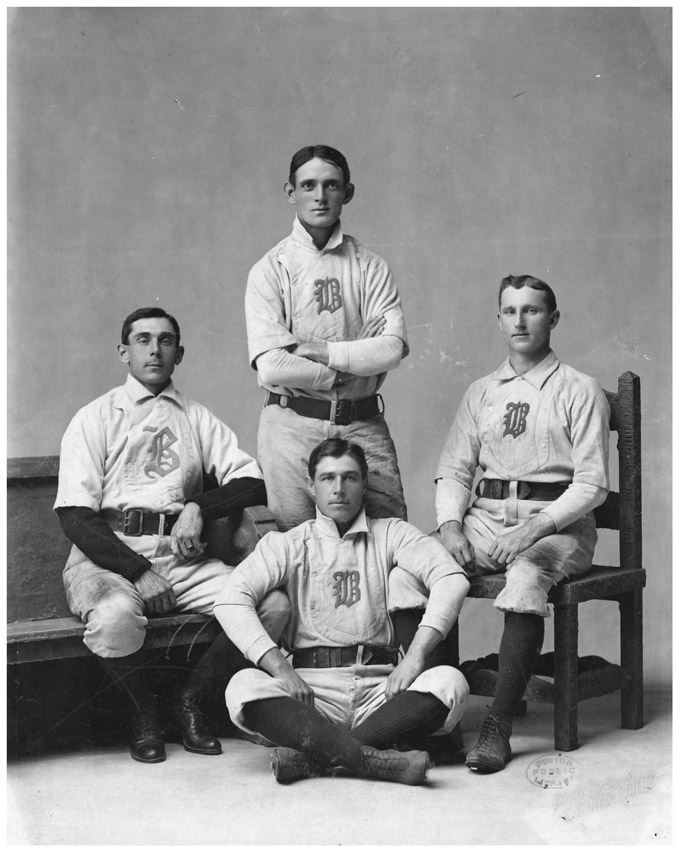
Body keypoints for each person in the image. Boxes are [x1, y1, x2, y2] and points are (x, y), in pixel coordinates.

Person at [54, 307, 289, 764]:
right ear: (124, 351)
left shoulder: (196, 417)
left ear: (179, 353)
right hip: (109, 559)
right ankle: (145, 714)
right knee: (115, 619)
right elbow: (75, 516)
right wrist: (139, 571)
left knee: (271, 603)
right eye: (142, 340)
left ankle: (190, 701)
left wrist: (200, 506)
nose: (154, 350)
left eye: (165, 341)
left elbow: (253, 482)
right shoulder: (96, 416)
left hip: (181, 558)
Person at [213, 438, 470, 786]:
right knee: (242, 687)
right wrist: (280, 670)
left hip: (383, 689)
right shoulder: (288, 544)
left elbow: (452, 578)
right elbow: (230, 599)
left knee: (450, 682)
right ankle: (372, 760)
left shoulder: (391, 533)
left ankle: (317, 759)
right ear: (311, 486)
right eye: (327, 478)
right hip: (312, 693)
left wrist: (415, 658)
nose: (338, 489)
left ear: (364, 483)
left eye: (349, 478)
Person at [432, 274, 610, 773]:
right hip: (484, 521)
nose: (520, 320)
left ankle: (497, 725)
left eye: (532, 310)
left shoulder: (578, 388)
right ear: (499, 320)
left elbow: (593, 484)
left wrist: (535, 530)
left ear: (552, 319)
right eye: (510, 311)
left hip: (557, 528)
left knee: (527, 574)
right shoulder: (481, 391)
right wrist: (449, 526)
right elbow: (454, 469)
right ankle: (436, 718)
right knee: (416, 566)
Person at [244, 144, 409, 532]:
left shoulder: (369, 266)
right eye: (308, 185)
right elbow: (271, 363)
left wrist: (311, 350)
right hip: (291, 425)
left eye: (331, 185)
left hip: (362, 420)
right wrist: (348, 363)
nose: (320, 196)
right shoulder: (270, 269)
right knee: (298, 547)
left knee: (391, 541)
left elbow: (391, 349)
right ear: (291, 192)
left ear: (347, 193)